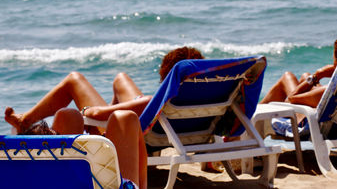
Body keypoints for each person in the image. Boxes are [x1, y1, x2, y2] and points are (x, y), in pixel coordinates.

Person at [4, 46, 204, 189]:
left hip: (129, 133)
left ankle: (26, 121)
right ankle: (106, 116)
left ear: (166, 79)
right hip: (161, 135)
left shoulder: (159, 101)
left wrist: (93, 114)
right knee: (120, 80)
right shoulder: (210, 107)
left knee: (75, 85)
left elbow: (105, 112)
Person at [259, 35, 337, 109]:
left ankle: (254, 118)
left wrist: (317, 76)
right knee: (305, 76)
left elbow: (291, 98)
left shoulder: (331, 92)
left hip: (305, 125)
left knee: (287, 77)